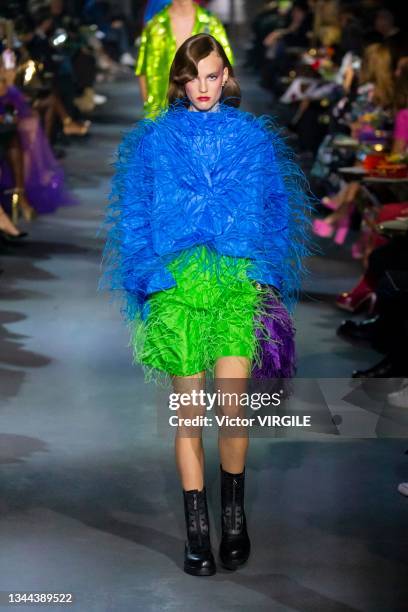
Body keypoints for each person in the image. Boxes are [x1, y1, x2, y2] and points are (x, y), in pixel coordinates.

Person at [101, 34, 312, 576]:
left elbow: (274, 210)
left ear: (227, 77)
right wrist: (152, 277)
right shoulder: (153, 141)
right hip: (176, 288)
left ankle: (234, 515)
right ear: (179, 79)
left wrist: (264, 276)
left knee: (235, 407)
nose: (202, 86)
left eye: (212, 75)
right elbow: (135, 216)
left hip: (237, 285)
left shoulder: (253, 140)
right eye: (193, 76)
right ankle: (198, 529)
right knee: (189, 413)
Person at [135, 0, 233, 117]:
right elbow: (143, 71)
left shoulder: (211, 24)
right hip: (161, 116)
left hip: (206, 118)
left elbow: (226, 68)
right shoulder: (154, 26)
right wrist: (150, 112)